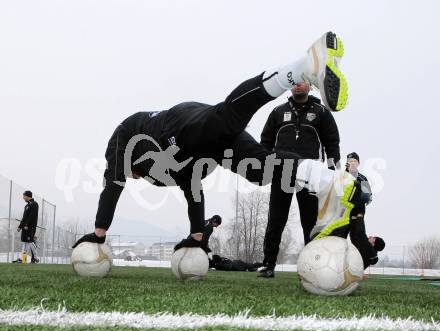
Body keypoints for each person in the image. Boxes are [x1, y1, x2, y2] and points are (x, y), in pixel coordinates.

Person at [73, 32, 350, 250]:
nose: (133, 177)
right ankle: (327, 181)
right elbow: (193, 190)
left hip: (177, 126)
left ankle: (303, 67)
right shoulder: (170, 173)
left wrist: (99, 233)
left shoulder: (124, 136)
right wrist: (196, 236)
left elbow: (113, 184)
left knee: (226, 118)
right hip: (206, 149)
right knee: (261, 170)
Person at [259, 81, 340, 278]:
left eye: (301, 82)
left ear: (310, 86)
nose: (297, 85)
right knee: (276, 219)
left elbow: (332, 142)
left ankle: (313, 266)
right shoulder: (278, 112)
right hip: (282, 171)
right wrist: (265, 166)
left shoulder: (322, 112)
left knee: (310, 222)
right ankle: (269, 264)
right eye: (294, 82)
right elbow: (265, 143)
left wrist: (332, 171)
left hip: (310, 174)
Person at [13, 191, 39, 263]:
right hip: (25, 227)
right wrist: (20, 226)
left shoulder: (34, 204)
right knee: (25, 242)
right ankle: (24, 259)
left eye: (24, 196)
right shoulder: (27, 206)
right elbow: (24, 217)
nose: (23, 198)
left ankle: (33, 258)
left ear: (28, 196)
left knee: (29, 242)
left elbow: (32, 216)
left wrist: (27, 225)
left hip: (30, 227)